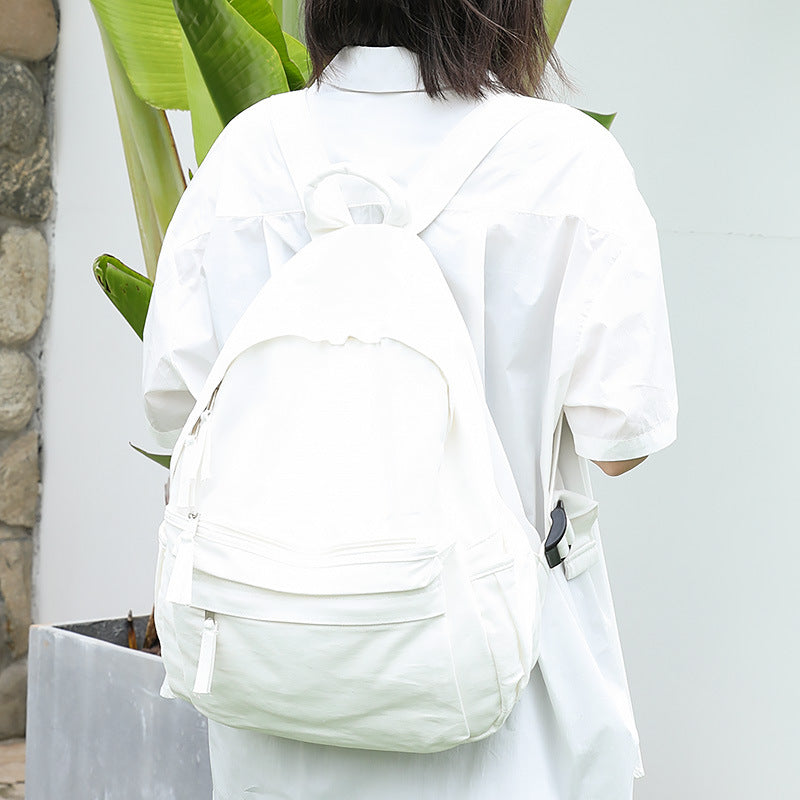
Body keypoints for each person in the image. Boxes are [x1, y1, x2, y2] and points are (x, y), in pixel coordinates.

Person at [142, 2, 678, 798]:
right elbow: (619, 439)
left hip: (281, 696)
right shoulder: (566, 162)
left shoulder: (248, 157)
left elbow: (172, 407)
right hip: (508, 707)